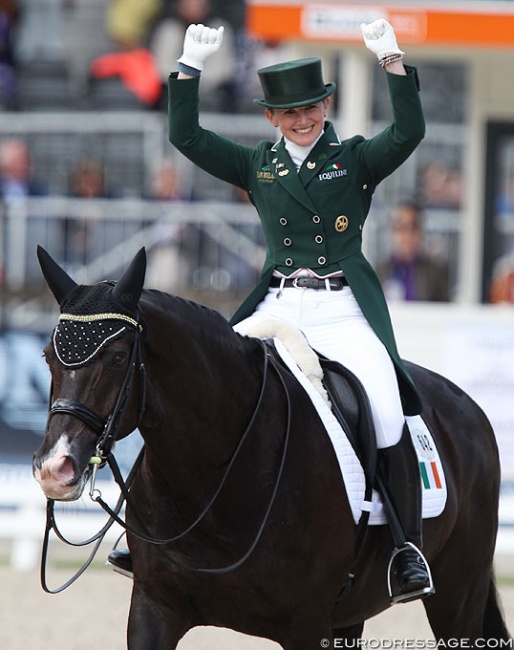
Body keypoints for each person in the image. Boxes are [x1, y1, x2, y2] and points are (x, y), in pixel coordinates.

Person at [108, 19, 434, 603]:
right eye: (289, 113)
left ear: (326, 105)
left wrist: (392, 61)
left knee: (385, 407)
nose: (301, 120)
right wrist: (187, 69)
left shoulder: (354, 159)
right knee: (191, 389)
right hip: (278, 302)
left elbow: (409, 132)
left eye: (310, 108)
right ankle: (145, 530)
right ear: (271, 118)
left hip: (341, 306)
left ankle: (406, 548)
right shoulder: (260, 166)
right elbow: (186, 136)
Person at [376, 201, 450, 302]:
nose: (407, 234)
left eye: (412, 227)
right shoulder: (379, 271)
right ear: (392, 231)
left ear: (421, 231)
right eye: (401, 227)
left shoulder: (435, 274)